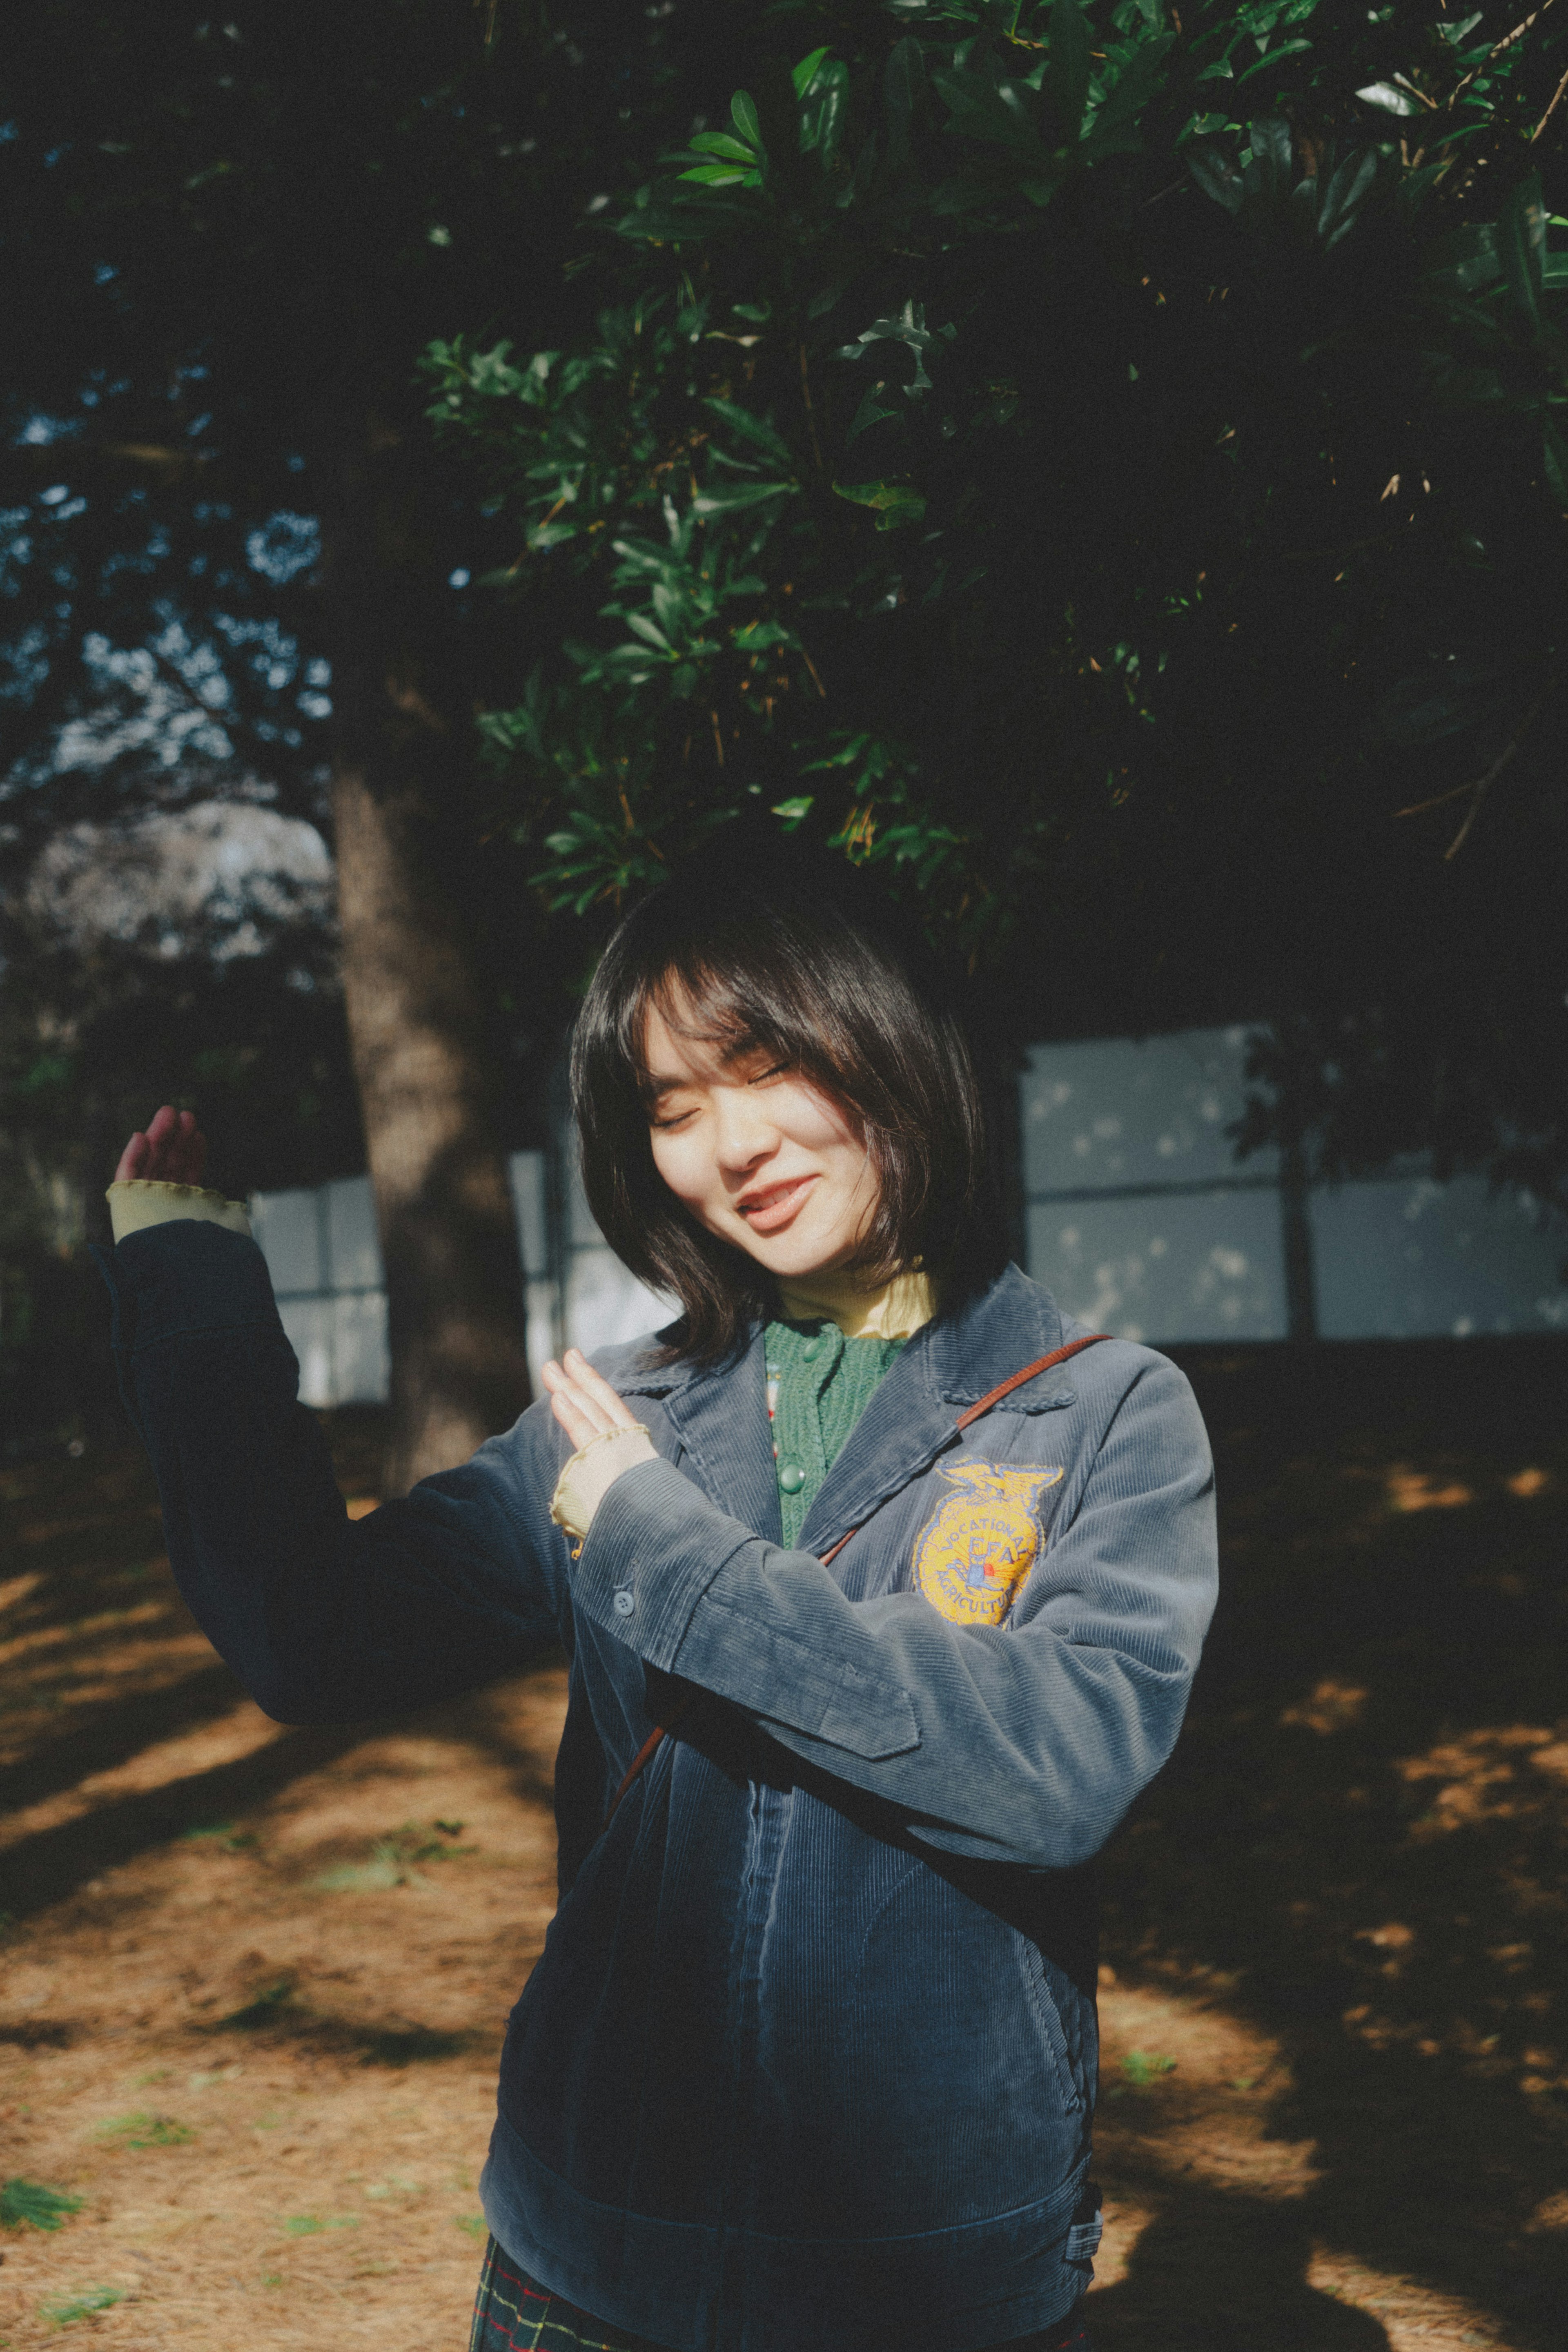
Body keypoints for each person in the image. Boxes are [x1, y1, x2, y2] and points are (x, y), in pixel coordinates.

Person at [98, 854, 1218, 2352]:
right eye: (676, 1111)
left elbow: (1058, 1766)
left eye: (765, 1070)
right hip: (591, 2257)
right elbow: (309, 1634)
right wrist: (193, 1297)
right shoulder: (618, 1418)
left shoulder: (1100, 1414)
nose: (731, 1147)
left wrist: (661, 1555)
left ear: (890, 1041)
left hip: (926, 2279)